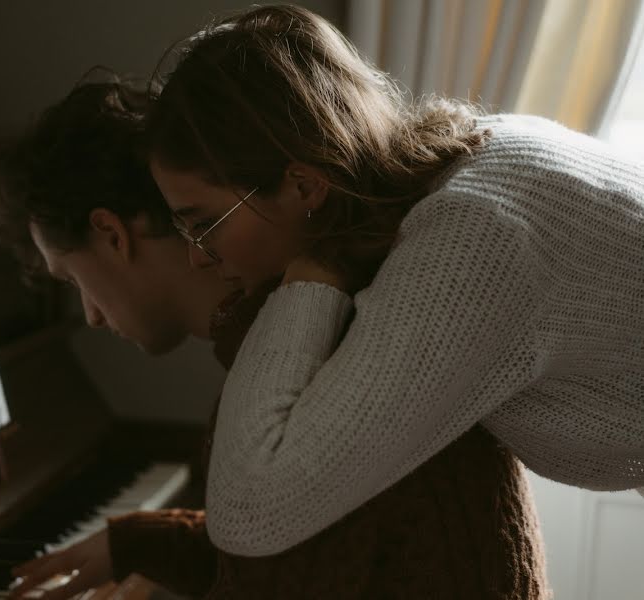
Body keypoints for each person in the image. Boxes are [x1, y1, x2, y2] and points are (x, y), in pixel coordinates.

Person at [0, 72, 549, 599]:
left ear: (111, 234)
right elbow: (301, 551)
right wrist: (136, 544)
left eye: (72, 279)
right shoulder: (307, 324)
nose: (88, 316)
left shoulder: (314, 364)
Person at [146, 4, 644, 559]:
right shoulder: (467, 166)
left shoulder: (472, 237)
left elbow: (249, 514)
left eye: (202, 224)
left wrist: (313, 273)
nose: (196, 258)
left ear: (304, 187)